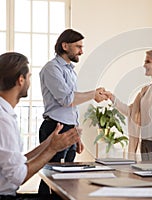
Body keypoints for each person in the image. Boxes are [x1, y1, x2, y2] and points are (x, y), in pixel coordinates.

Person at [0, 52, 80, 199]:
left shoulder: (4, 113)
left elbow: (17, 161)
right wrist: (52, 149)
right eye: (29, 76)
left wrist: (49, 142)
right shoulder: (3, 120)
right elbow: (18, 176)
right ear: (21, 80)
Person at [38, 29, 107, 195]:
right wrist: (93, 94)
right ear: (65, 46)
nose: (82, 51)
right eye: (78, 46)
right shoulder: (51, 69)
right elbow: (67, 100)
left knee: (66, 178)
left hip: (68, 128)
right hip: (55, 127)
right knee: (51, 176)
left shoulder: (70, 70)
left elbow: (73, 104)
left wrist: (76, 132)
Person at [104, 49, 152, 163]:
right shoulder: (145, 90)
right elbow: (131, 112)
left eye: (147, 61)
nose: (144, 65)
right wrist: (112, 98)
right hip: (145, 143)